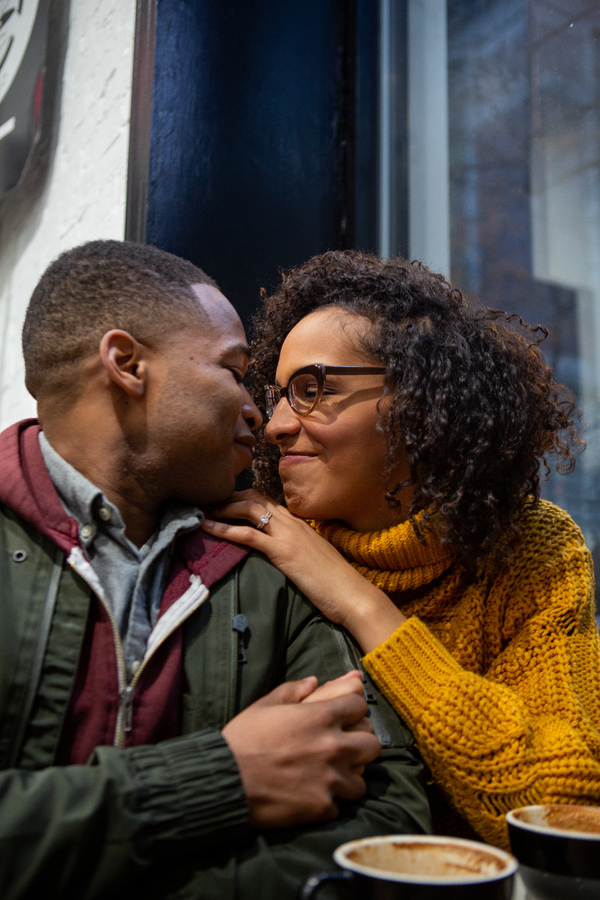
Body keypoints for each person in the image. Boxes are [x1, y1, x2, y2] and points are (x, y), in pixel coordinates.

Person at [0, 241, 431, 900]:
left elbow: (386, 823)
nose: (264, 417)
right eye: (235, 371)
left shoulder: (269, 562)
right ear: (127, 364)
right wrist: (219, 781)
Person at [203, 249, 600, 851]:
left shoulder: (530, 551)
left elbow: (564, 807)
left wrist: (359, 602)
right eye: (278, 393)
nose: (277, 423)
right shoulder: (260, 548)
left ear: (419, 401)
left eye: (312, 389)